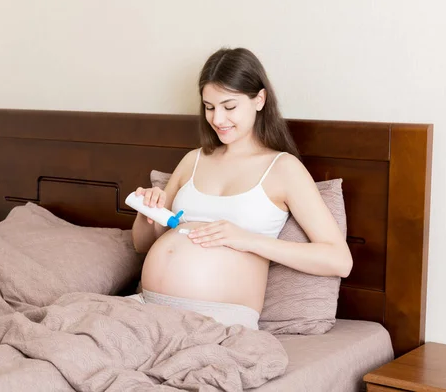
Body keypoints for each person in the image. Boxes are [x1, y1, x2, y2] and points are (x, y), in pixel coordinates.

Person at [130, 47, 352, 330]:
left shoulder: (283, 168)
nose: (218, 120)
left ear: (259, 99)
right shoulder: (193, 160)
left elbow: (339, 260)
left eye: (229, 106)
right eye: (209, 107)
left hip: (216, 320)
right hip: (147, 308)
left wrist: (248, 240)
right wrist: (147, 211)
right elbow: (142, 244)